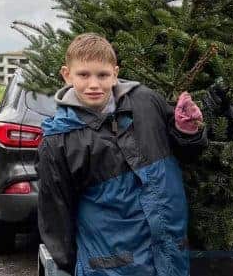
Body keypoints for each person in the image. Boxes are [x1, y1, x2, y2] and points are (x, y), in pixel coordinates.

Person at [36, 33, 207, 276]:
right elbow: (55, 218)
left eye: (103, 75)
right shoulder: (59, 142)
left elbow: (188, 154)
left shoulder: (146, 102)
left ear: (115, 73)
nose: (94, 84)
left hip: (170, 260)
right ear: (67, 74)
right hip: (108, 268)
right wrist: (74, 265)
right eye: (83, 75)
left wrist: (188, 130)